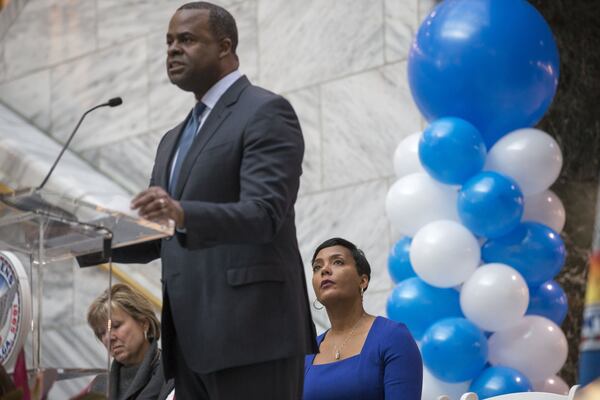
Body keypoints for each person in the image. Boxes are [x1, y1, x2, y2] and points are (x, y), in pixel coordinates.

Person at [80, 2, 317, 399]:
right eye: (169, 41)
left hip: (253, 335)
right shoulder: (172, 140)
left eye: (186, 39)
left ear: (225, 47)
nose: (172, 49)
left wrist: (182, 213)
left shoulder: (265, 111)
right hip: (189, 345)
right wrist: (88, 241)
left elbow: (265, 213)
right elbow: (159, 235)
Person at [304, 238, 423, 400]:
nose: (324, 270)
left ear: (363, 280)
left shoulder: (393, 336)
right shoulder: (308, 351)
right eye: (317, 267)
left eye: (337, 262)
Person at [87, 283, 172, 400]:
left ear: (144, 324)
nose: (109, 338)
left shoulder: (172, 375)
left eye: (116, 326)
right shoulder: (99, 386)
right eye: (102, 333)